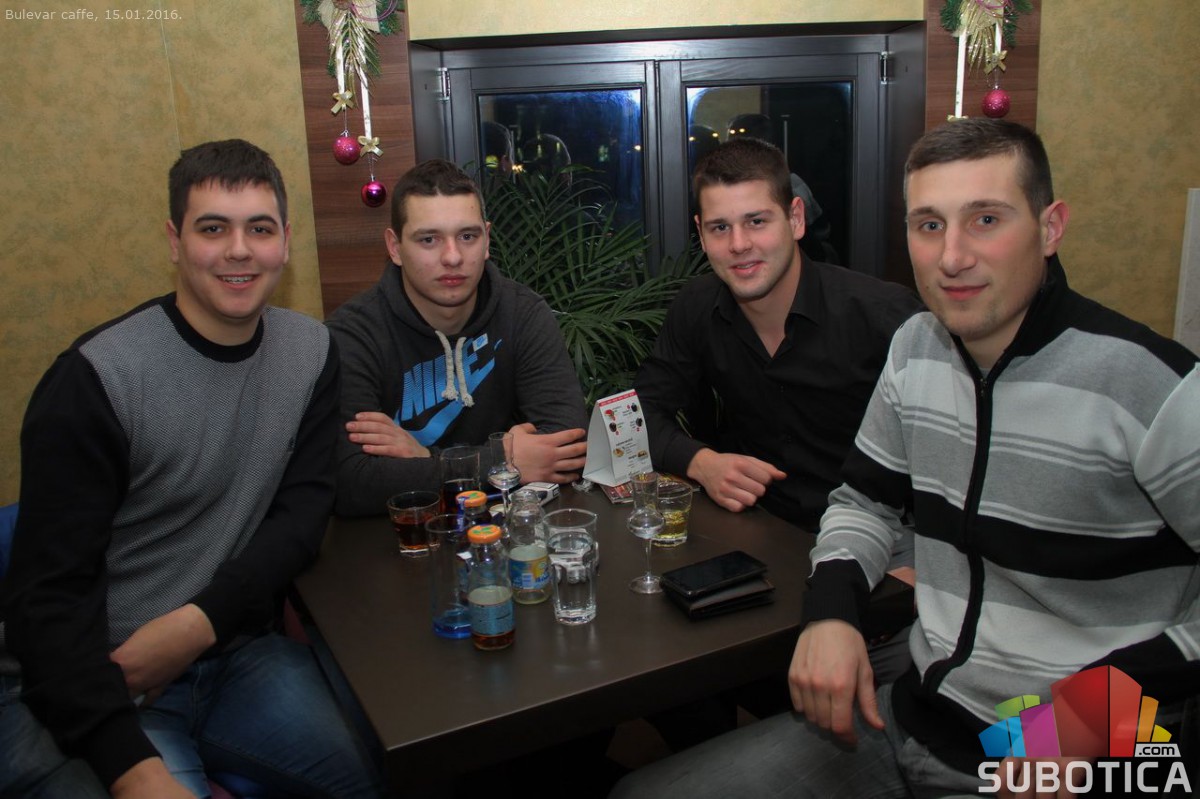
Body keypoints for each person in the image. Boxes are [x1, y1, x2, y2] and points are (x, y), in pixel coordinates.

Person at [611, 118, 1200, 798]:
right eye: (929, 225)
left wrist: (1091, 717)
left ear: (1050, 227)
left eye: (985, 219)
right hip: (918, 712)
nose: (952, 256)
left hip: (1069, 744)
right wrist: (832, 611)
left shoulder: (1149, 384)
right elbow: (863, 501)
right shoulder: (919, 349)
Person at [0, 140, 384, 797]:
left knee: (385, 768)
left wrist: (196, 624)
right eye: (213, 229)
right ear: (175, 241)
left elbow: (300, 519)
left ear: (285, 241)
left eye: (259, 228)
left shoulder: (311, 352)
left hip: (234, 653)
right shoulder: (95, 380)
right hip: (105, 676)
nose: (239, 250)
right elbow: (47, 605)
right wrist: (134, 769)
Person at [636, 135, 922, 531]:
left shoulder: (884, 317)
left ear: (795, 219)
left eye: (756, 221)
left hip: (879, 534)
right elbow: (639, 414)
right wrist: (701, 462)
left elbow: (952, 456)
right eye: (720, 227)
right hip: (759, 527)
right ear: (701, 233)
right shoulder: (697, 307)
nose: (739, 244)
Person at [326, 158, 587, 517]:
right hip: (399, 539)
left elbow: (566, 448)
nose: (452, 257)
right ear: (395, 247)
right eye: (429, 239)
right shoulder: (354, 334)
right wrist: (500, 460)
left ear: (487, 240)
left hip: (505, 529)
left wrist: (422, 459)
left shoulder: (522, 313)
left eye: (467, 236)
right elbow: (351, 483)